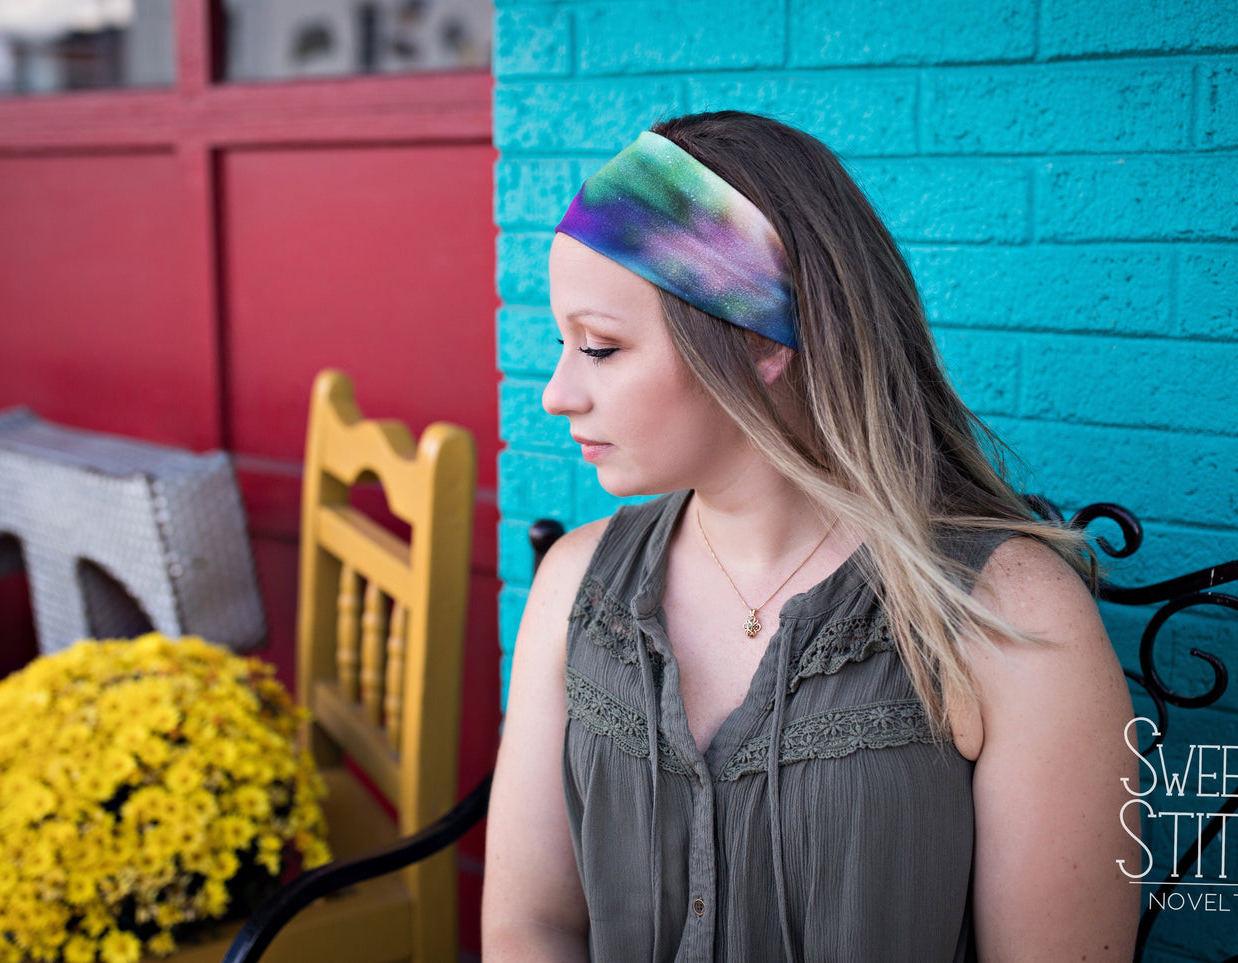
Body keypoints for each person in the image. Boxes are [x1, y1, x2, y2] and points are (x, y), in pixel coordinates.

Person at [483, 111, 1139, 963]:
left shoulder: (1006, 617)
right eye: (563, 342)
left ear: (758, 342)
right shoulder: (576, 583)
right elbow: (529, 926)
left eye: (600, 347)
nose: (557, 393)